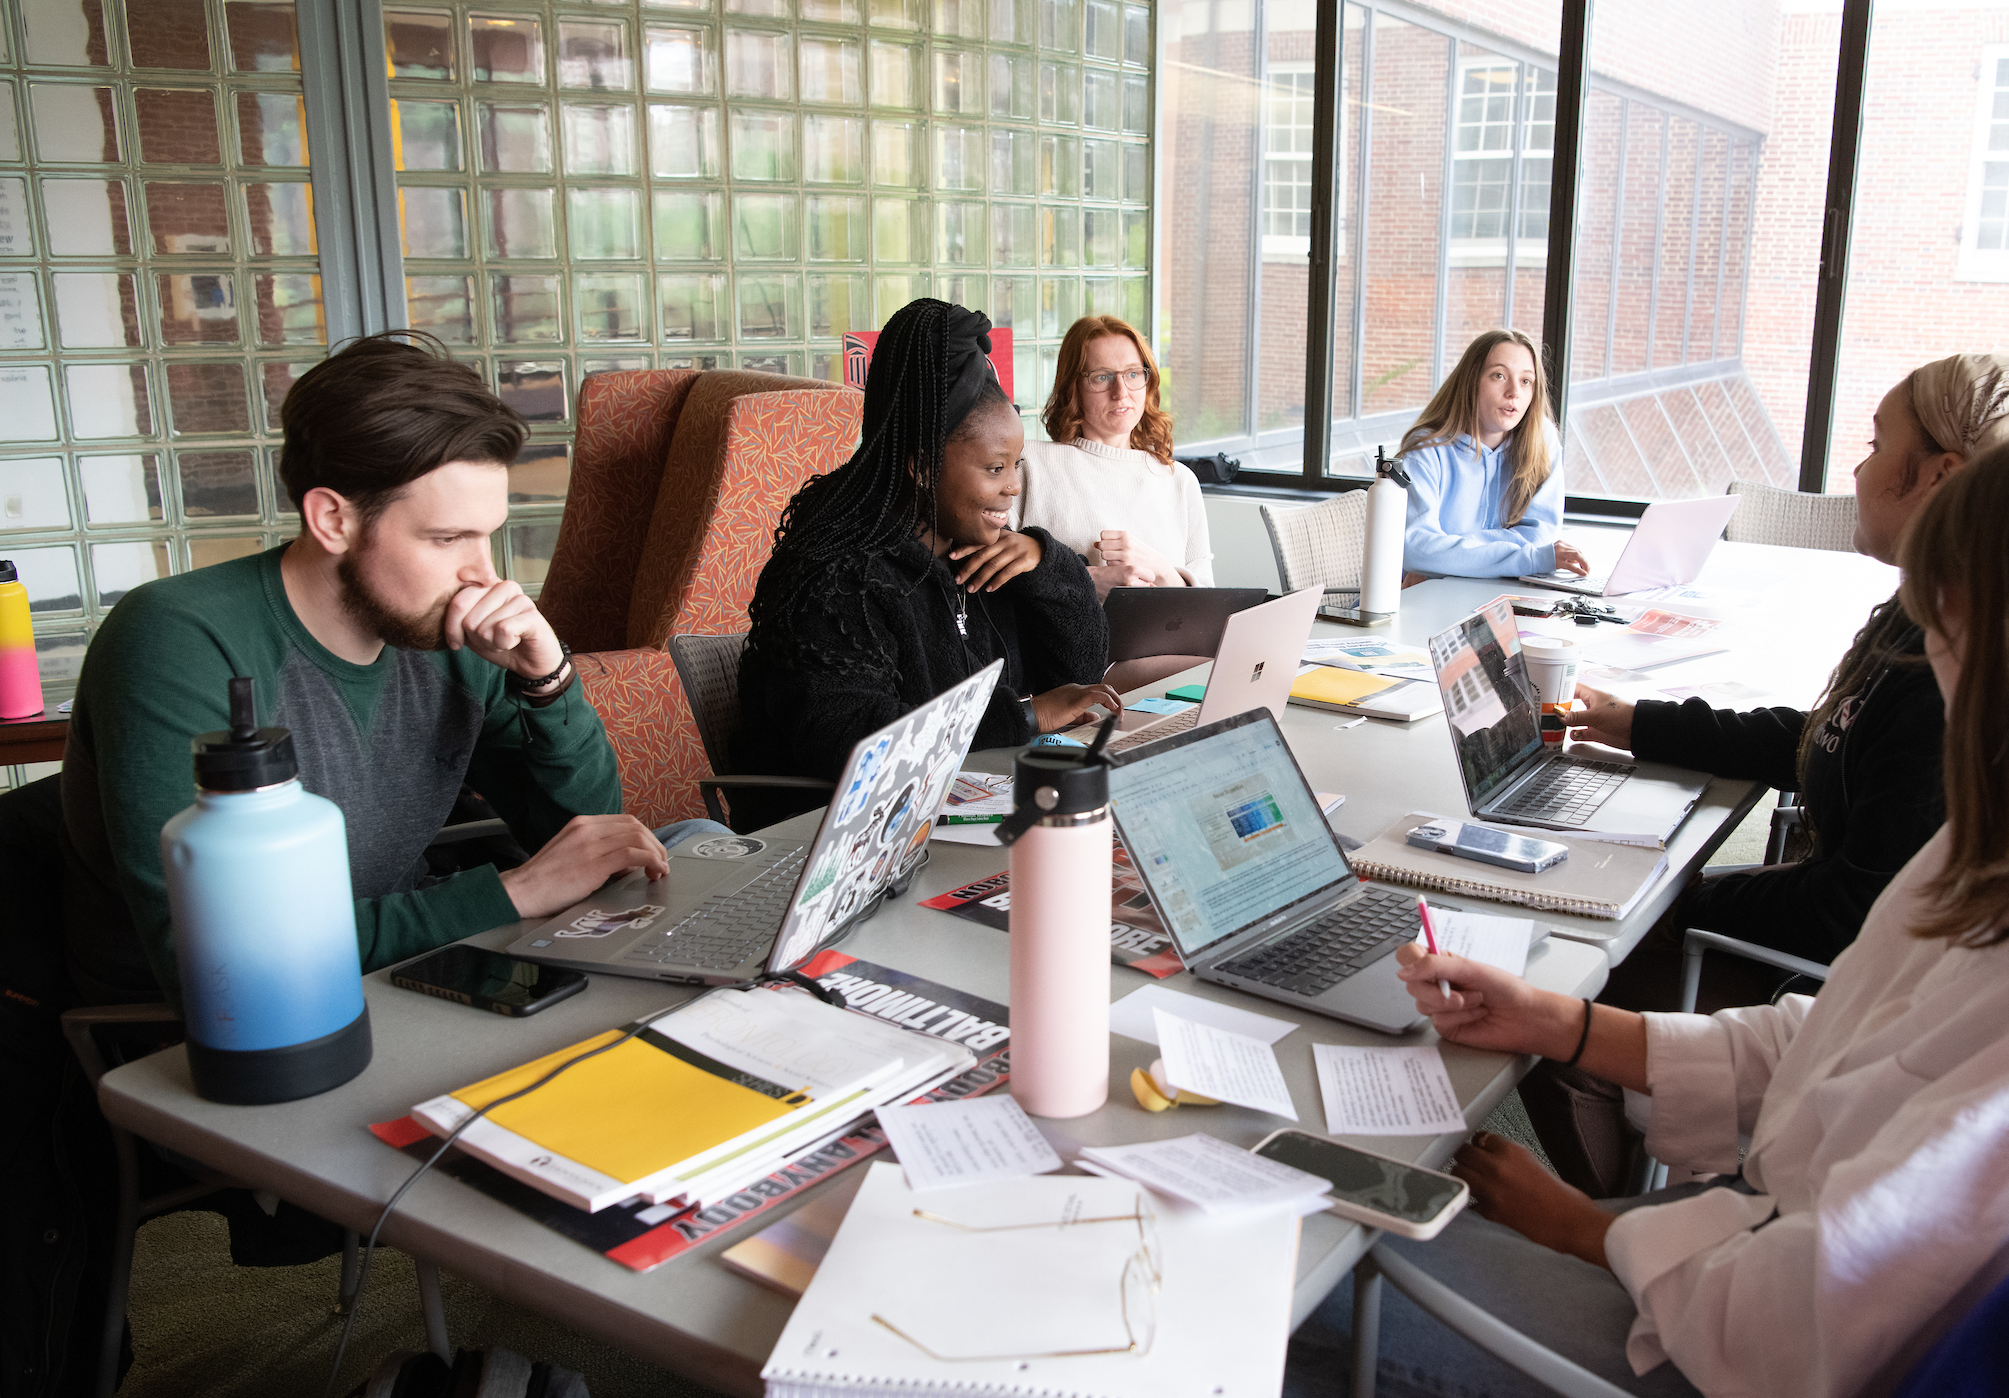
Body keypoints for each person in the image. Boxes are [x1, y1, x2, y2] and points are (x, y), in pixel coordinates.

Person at [1145, 409, 2009, 1398]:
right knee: (1339, 1256)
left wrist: (1583, 1232)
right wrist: (1571, 1025)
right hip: (1774, 1291)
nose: (1939, 674)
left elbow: (1800, 1331)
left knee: (1295, 1273)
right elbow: (1848, 1052)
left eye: (1951, 638)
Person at [1529, 354, 2009, 1194]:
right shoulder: (1929, 611)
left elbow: (1853, 907)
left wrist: (1680, 898)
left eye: (1874, 443)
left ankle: (1613, 1222)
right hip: (1848, 953)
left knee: (1553, 968)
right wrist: (1635, 721)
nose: (1858, 469)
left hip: (1843, 986)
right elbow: (1823, 737)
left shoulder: (1956, 677)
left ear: (1942, 476)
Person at [61, 332, 667, 1008]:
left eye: (486, 534)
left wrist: (546, 679)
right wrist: (513, 892)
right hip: (230, 1031)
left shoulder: (452, 631)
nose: (485, 575)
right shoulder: (175, 640)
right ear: (332, 519)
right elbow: (216, 958)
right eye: (446, 539)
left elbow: (586, 844)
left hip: (409, 977)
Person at [737, 299, 1116, 828]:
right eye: (993, 468)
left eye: (1015, 466)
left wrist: (1045, 566)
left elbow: (1078, 677)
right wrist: (1026, 716)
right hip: (839, 846)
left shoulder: (981, 554)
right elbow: (857, 742)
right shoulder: (839, 578)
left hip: (963, 814)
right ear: (920, 466)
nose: (1012, 487)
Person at [1021, 314, 1214, 592]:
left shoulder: (1179, 480)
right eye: (1102, 377)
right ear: (1072, 387)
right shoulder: (1030, 464)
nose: (1121, 392)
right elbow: (993, 586)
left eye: (1133, 374)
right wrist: (1086, 581)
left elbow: (1208, 606)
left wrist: (1162, 571)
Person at [1398, 328, 1589, 580]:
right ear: (1470, 382)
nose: (1514, 392)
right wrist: (1528, 557)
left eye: (1526, 381)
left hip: (1491, 598)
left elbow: (1543, 536)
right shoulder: (1425, 449)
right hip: (1421, 601)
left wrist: (1448, 557)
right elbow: (1416, 549)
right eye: (1498, 375)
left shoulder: (1542, 440)